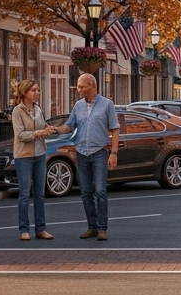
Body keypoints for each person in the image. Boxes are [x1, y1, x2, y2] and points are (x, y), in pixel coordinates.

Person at [46, 73, 119, 241]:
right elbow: (69, 127)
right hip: (81, 153)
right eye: (78, 86)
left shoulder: (107, 105)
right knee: (85, 192)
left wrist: (114, 153)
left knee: (100, 190)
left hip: (99, 152)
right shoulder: (78, 106)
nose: (78, 89)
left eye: (81, 86)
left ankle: (102, 228)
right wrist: (54, 129)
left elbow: (115, 129)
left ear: (91, 86)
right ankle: (92, 227)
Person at [11, 80, 53, 241]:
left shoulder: (38, 109)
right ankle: (24, 229)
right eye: (33, 90)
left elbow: (42, 125)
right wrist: (38, 133)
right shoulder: (17, 111)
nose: (37, 93)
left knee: (40, 194)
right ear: (25, 92)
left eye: (38, 90)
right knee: (24, 193)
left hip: (40, 154)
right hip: (24, 156)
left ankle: (41, 229)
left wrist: (47, 129)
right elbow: (20, 135)